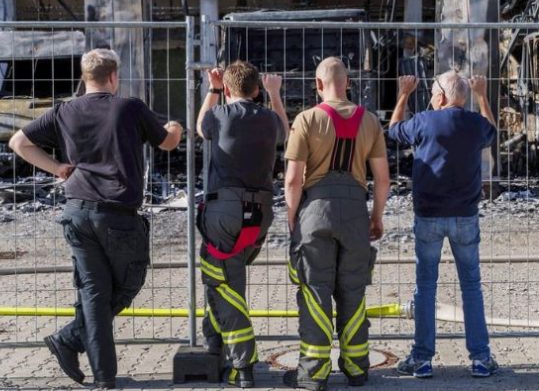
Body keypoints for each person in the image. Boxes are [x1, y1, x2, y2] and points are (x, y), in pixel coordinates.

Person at [9, 48, 183, 389]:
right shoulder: (129, 108)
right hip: (117, 214)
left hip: (76, 210)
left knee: (94, 293)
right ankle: (71, 339)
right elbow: (168, 142)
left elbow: (19, 142)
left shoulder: (64, 111)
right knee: (128, 283)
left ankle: (98, 372)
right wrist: (175, 125)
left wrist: (57, 168)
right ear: (114, 77)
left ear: (85, 77)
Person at [283, 57, 389, 391]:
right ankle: (357, 368)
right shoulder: (370, 121)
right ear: (349, 83)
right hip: (356, 213)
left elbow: (292, 180)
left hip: (315, 212)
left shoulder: (307, 119)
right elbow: (383, 180)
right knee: (353, 291)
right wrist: (376, 218)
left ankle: (313, 374)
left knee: (315, 292)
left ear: (317, 84)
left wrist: (293, 221)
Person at [387, 72, 501, 379]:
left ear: (439, 97)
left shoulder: (424, 121)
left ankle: (422, 358)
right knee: (471, 287)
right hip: (465, 214)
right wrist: (482, 96)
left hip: (429, 215)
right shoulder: (475, 125)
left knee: (425, 287)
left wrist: (404, 94)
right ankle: (480, 357)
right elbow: (492, 130)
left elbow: (394, 130)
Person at [196, 61, 288, 388]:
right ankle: (213, 340)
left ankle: (243, 365)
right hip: (259, 213)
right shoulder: (268, 119)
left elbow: (199, 126)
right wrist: (276, 94)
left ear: (230, 91)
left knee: (224, 283)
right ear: (258, 89)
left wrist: (213, 88)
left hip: (225, 210)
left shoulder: (220, 115)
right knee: (224, 276)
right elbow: (284, 132)